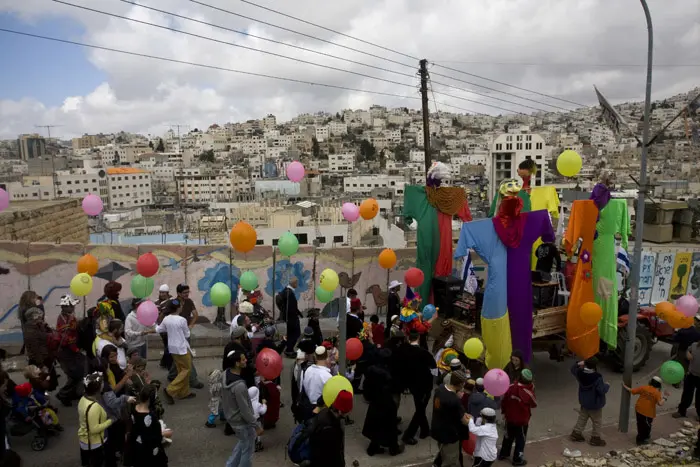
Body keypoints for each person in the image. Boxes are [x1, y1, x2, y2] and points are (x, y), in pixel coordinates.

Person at [397, 329, 437, 446]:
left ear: (409, 339)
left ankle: (424, 430)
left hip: (411, 385)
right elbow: (434, 370)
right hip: (424, 386)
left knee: (420, 406)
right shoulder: (424, 353)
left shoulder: (403, 351)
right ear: (418, 338)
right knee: (420, 410)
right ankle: (408, 435)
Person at [221, 344, 259, 467]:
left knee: (244, 443)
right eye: (243, 359)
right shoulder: (239, 386)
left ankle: (230, 465)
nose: (246, 360)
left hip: (232, 417)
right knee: (247, 449)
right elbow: (245, 409)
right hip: (241, 421)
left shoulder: (225, 374)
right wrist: (257, 425)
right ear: (237, 363)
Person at [362, 348, 404, 456]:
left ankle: (373, 447)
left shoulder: (371, 370)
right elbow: (394, 387)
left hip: (375, 401)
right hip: (386, 402)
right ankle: (393, 448)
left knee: (376, 424)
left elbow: (366, 386)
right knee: (390, 426)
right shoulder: (388, 374)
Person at [156, 299, 195, 404]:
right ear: (178, 308)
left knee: (180, 370)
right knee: (186, 370)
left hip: (172, 348)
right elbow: (187, 334)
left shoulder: (166, 319)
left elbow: (159, 329)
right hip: (181, 348)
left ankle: (183, 393)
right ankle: (170, 390)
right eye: (181, 306)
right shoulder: (182, 320)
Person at [431, 371, 470, 467]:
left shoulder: (440, 389)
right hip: (449, 435)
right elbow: (464, 421)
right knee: (450, 461)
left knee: (442, 452)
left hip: (437, 429)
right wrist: (474, 420)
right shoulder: (454, 400)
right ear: (460, 384)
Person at [167, 285, 203, 389]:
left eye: (188, 292)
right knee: (187, 356)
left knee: (181, 356)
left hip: (185, 333)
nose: (186, 294)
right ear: (178, 293)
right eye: (184, 292)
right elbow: (167, 316)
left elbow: (195, 315)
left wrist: (191, 325)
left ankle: (172, 375)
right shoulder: (173, 303)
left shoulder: (189, 302)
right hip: (175, 334)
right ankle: (193, 380)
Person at [499, 369, 537, 465]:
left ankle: (503, 453)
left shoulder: (510, 387)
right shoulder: (528, 392)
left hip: (509, 417)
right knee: (520, 440)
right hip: (522, 421)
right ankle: (517, 459)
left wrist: (503, 412)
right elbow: (534, 404)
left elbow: (504, 401)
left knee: (508, 436)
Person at [78, 372, 116, 467]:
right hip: (95, 443)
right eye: (102, 383)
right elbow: (94, 429)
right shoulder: (94, 407)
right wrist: (110, 421)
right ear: (98, 389)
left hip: (85, 440)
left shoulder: (83, 399)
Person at [308, 389, 353, 467]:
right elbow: (333, 455)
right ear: (340, 411)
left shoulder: (325, 411)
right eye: (348, 411)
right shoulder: (331, 430)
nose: (349, 413)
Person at [570, 358, 609, 446]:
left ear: (585, 364)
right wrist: (607, 385)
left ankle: (576, 433)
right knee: (597, 421)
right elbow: (601, 390)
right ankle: (595, 438)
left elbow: (572, 369)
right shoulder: (597, 377)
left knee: (582, 417)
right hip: (595, 404)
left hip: (584, 402)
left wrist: (578, 363)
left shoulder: (580, 373)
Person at [128, 385, 168, 467]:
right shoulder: (151, 416)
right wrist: (165, 433)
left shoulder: (133, 409)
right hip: (149, 449)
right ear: (151, 399)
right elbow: (156, 436)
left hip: (137, 445)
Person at [56, 294, 85, 406]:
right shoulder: (63, 320)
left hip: (71, 350)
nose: (73, 308)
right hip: (66, 351)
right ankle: (63, 394)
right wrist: (76, 349)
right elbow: (66, 338)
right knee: (74, 375)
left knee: (76, 373)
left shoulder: (69, 316)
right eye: (70, 306)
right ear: (64, 307)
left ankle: (71, 393)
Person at [22, 307, 58, 392]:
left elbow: (48, 336)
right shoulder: (30, 331)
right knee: (40, 383)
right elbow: (35, 350)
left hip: (45, 357)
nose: (41, 318)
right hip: (39, 361)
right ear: (33, 317)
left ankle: (44, 399)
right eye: (39, 316)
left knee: (47, 383)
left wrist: (46, 327)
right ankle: (40, 402)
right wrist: (41, 365)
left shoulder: (38, 326)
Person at [624, 376, 668, 445]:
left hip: (638, 409)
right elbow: (660, 403)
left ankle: (643, 437)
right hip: (648, 413)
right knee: (646, 426)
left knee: (640, 424)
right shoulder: (657, 393)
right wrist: (665, 397)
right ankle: (641, 440)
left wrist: (625, 386)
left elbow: (633, 390)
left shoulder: (644, 388)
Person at [300, 347, 333, 421]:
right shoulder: (327, 376)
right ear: (327, 357)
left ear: (315, 356)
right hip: (321, 409)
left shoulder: (308, 370)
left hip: (307, 406)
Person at [675, 338, 700, 419]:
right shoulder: (694, 345)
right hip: (691, 374)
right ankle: (681, 411)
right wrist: (688, 353)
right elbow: (687, 350)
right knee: (686, 394)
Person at [280, 277, 302, 358]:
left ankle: (289, 349)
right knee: (296, 334)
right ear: (294, 283)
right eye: (297, 283)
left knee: (291, 334)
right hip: (292, 318)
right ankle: (289, 350)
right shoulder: (289, 293)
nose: (297, 284)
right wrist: (295, 317)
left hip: (289, 318)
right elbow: (291, 308)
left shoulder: (286, 291)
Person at [155, 285, 172, 370]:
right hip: (162, 327)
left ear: (167, 293)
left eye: (163, 292)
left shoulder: (172, 300)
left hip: (171, 326)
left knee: (168, 345)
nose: (161, 294)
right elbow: (157, 314)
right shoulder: (157, 302)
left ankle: (164, 362)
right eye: (160, 292)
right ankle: (167, 363)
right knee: (167, 344)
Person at [248, 386, 267, 452]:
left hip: (249, 420)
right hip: (257, 420)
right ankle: (258, 444)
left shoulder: (246, 403)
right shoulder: (257, 404)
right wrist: (264, 404)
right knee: (258, 432)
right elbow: (263, 411)